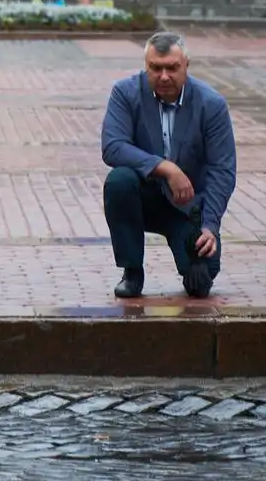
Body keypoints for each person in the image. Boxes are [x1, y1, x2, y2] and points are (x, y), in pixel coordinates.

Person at [101, 31, 236, 299]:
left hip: (187, 207)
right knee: (119, 181)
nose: (164, 76)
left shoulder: (212, 105)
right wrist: (167, 168)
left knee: (201, 283)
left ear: (186, 65)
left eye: (172, 68)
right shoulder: (125, 93)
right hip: (143, 197)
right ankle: (132, 271)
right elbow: (112, 146)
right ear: (146, 66)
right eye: (155, 68)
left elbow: (223, 170)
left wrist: (210, 225)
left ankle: (191, 259)